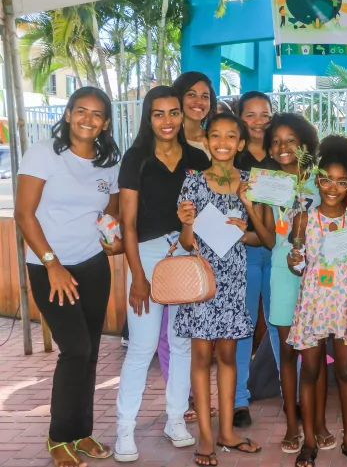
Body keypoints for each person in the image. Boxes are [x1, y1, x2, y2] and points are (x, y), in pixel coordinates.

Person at [15, 87, 122, 467]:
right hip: (49, 268)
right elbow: (24, 214)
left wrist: (112, 237)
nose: (88, 119)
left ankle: (82, 432)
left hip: (93, 265)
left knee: (90, 353)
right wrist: (52, 263)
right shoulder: (44, 153)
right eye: (81, 111)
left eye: (96, 114)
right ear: (68, 114)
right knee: (75, 349)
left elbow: (109, 210)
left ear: (105, 122)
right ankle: (59, 435)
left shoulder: (108, 160)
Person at [114, 86, 210, 462]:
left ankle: (175, 420)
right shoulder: (135, 158)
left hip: (185, 252)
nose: (168, 121)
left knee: (181, 342)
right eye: (159, 114)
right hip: (147, 254)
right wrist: (138, 276)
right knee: (142, 346)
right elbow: (128, 222)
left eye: (174, 113)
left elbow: (207, 208)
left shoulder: (195, 158)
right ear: (147, 117)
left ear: (183, 116)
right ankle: (124, 428)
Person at [175, 113, 272, 466]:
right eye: (215, 135)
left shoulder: (250, 183)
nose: (222, 142)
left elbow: (265, 239)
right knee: (202, 359)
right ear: (206, 141)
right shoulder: (192, 184)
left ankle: (227, 432)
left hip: (234, 281)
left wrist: (243, 216)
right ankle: (205, 435)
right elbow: (187, 243)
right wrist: (187, 224)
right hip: (202, 281)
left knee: (230, 356)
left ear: (241, 143)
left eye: (231, 136)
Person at [287, 136, 347, 467]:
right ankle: (308, 443)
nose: (333, 188)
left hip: (344, 301)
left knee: (346, 373)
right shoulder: (304, 219)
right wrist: (295, 258)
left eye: (341, 182)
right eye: (327, 180)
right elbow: (298, 267)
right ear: (317, 180)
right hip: (313, 301)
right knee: (309, 371)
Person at [263, 113, 327, 454]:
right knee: (288, 354)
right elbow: (266, 236)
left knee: (314, 356)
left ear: (305, 144)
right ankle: (292, 425)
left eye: (290, 140)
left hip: (319, 276)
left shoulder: (323, 180)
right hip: (282, 272)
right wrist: (249, 202)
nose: (282, 147)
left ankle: (318, 424)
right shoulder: (268, 184)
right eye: (275, 141)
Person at [233, 91, 279, 428]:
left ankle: (294, 394)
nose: (259, 121)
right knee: (243, 328)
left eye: (265, 113)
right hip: (243, 253)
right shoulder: (232, 157)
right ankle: (238, 401)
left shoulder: (281, 156)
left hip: (278, 254)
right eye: (250, 115)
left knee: (280, 326)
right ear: (239, 117)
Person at [173, 72, 217, 158]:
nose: (199, 102)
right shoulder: (167, 139)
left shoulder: (217, 140)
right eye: (192, 95)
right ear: (179, 98)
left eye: (205, 97)